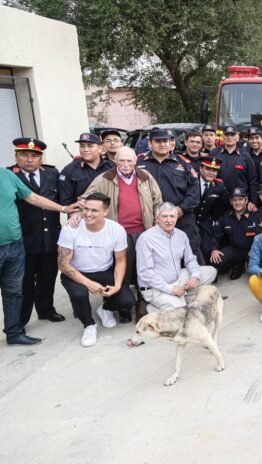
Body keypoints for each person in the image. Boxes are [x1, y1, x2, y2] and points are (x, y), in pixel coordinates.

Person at [80, 146, 163, 321]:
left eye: (129, 161)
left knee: (143, 269)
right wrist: (75, 213)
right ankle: (122, 306)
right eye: (122, 160)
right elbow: (85, 200)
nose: (125, 164)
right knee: (121, 271)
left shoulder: (145, 177)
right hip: (118, 235)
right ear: (115, 161)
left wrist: (157, 224)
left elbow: (158, 201)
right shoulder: (105, 178)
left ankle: (142, 303)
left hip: (143, 232)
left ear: (135, 162)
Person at [2, 162, 77, 345]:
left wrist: (63, 208)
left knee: (14, 291)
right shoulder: (12, 172)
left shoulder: (7, 176)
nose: (29, 159)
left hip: (14, 244)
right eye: (23, 154)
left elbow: (33, 198)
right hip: (21, 242)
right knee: (20, 288)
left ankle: (14, 332)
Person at [57, 193, 135, 347]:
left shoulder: (116, 230)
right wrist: (88, 284)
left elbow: (120, 261)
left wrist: (118, 286)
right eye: (85, 209)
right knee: (79, 294)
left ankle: (105, 308)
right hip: (76, 272)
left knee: (127, 300)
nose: (87, 214)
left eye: (94, 210)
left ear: (105, 212)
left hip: (104, 270)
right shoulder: (71, 229)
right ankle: (89, 325)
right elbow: (63, 264)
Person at [8, 138, 66, 325]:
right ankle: (21, 321)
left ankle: (46, 310)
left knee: (48, 278)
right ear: (16, 156)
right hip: (24, 239)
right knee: (24, 284)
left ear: (41, 158)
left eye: (34, 156)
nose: (29, 160)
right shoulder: (10, 176)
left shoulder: (52, 173)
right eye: (24, 155)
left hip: (50, 237)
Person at [136, 202, 217, 313]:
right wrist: (171, 289)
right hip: (156, 288)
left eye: (172, 216)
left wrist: (195, 275)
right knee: (181, 313)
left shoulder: (181, 235)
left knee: (211, 272)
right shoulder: (145, 239)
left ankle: (181, 298)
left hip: (178, 280)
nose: (169, 220)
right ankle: (150, 308)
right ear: (157, 219)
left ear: (177, 218)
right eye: (164, 216)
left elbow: (190, 259)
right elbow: (145, 273)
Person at [136, 128, 203, 260]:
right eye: (158, 141)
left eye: (165, 141)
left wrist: (181, 209)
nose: (162, 144)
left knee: (191, 254)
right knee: (156, 256)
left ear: (170, 143)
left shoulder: (183, 163)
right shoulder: (138, 163)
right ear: (150, 144)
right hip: (151, 221)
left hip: (182, 219)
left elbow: (194, 190)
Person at [211, 188, 260, 280]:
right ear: (230, 201)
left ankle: (244, 264)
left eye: (240, 199)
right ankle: (237, 264)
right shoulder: (225, 216)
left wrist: (255, 248)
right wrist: (214, 249)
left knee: (254, 271)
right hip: (234, 250)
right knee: (216, 261)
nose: (237, 203)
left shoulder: (255, 215)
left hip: (251, 250)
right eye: (234, 200)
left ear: (246, 200)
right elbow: (216, 235)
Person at [211, 124, 260, 208]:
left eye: (232, 135)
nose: (229, 137)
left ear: (237, 137)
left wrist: (253, 201)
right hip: (217, 201)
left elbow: (252, 180)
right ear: (222, 137)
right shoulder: (214, 153)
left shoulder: (245, 156)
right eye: (227, 135)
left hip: (240, 201)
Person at [58, 132, 114, 206]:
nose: (85, 149)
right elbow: (65, 201)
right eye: (82, 146)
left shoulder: (111, 167)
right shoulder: (68, 171)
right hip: (82, 214)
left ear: (100, 148)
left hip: (109, 214)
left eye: (90, 146)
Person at [195, 157, 230, 263]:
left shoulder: (219, 185)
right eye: (208, 169)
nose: (211, 173)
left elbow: (226, 204)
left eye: (214, 170)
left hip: (205, 221)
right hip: (189, 220)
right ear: (200, 169)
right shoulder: (191, 181)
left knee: (207, 248)